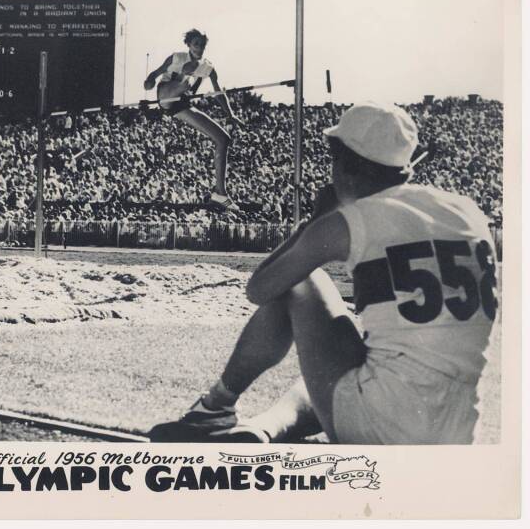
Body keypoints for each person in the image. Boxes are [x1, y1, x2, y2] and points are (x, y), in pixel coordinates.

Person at [149, 102, 498, 444]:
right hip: (458, 433)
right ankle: (266, 426)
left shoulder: (348, 223)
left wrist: (316, 221)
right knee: (364, 363)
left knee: (300, 279)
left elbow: (259, 288)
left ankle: (215, 407)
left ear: (343, 163)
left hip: (380, 430)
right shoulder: (467, 211)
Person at [144, 29, 242, 212]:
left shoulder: (208, 67)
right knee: (188, 76)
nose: (200, 48)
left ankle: (220, 193)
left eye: (202, 45)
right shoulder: (176, 58)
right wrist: (148, 82)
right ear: (188, 44)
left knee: (223, 138)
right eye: (196, 44)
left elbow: (218, 92)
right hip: (167, 95)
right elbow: (154, 75)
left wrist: (230, 114)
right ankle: (184, 88)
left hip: (182, 106)